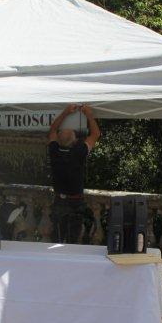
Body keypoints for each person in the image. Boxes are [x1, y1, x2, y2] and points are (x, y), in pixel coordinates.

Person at [47, 104, 101, 243]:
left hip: (60, 201)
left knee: (57, 239)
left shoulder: (54, 151)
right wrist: (89, 115)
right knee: (73, 241)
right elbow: (96, 134)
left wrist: (65, 112)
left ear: (58, 140)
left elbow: (52, 130)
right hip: (76, 202)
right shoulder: (79, 152)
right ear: (75, 140)